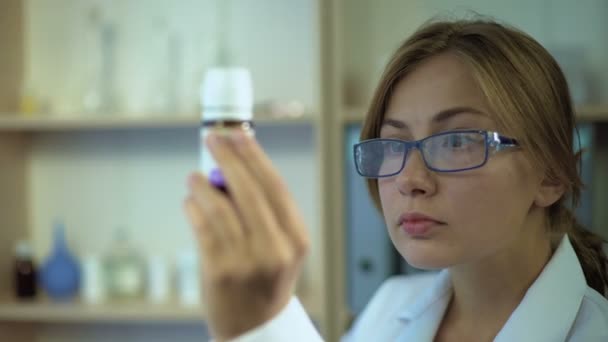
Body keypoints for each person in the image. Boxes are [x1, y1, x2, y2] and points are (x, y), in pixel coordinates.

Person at [183, 18, 608, 342]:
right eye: (393, 144)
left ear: (552, 174)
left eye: (456, 141)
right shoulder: (391, 307)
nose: (411, 180)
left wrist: (264, 323)